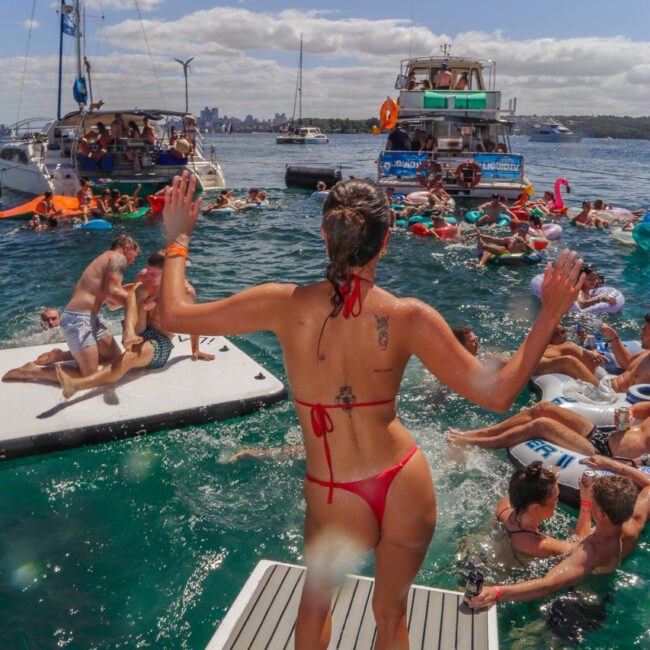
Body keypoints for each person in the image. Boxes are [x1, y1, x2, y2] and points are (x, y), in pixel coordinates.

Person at [158, 170, 583, 649]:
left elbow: (171, 314)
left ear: (325, 234)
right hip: (403, 479)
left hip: (333, 488)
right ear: (386, 243)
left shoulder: (282, 304)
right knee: (390, 615)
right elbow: (500, 394)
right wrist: (548, 313)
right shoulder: (409, 317)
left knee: (316, 607)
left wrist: (178, 239)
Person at [468, 471, 649, 608]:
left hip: (583, 606)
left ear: (600, 513)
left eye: (593, 501)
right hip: (607, 589)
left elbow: (548, 585)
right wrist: (612, 465)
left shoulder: (590, 551)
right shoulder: (635, 523)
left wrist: (497, 592)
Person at [55, 252, 214, 399]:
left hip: (160, 342)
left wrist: (195, 349)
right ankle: (129, 333)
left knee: (128, 358)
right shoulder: (144, 279)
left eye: (153, 274)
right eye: (148, 270)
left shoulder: (185, 292)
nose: (148, 275)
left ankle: (77, 385)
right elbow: (114, 304)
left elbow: (195, 321)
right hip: (138, 332)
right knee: (139, 287)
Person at [2, 235, 140, 385]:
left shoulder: (105, 260)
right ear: (127, 247)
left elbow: (112, 304)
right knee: (89, 375)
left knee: (114, 358)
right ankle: (31, 371)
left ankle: (62, 355)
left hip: (90, 320)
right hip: (78, 320)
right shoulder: (118, 257)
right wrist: (136, 300)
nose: (132, 262)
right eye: (134, 255)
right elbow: (114, 291)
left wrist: (132, 293)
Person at [446, 400, 650, 461]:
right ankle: (479, 433)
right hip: (604, 436)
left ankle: (474, 443)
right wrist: (630, 411)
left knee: (542, 424)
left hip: (606, 455)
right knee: (543, 408)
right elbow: (642, 407)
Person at [493, 461, 592, 562]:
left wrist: (544, 480)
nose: (557, 501)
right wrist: (586, 502)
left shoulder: (503, 507)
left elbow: (522, 488)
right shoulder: (540, 545)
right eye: (555, 498)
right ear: (535, 507)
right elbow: (583, 548)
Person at [535, 322, 606, 387]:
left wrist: (585, 347)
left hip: (604, 371)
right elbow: (536, 364)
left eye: (563, 332)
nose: (561, 336)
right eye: (555, 334)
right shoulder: (544, 351)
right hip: (599, 380)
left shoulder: (561, 346)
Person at [598, 315, 650, 393]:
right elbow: (628, 364)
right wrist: (613, 337)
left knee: (573, 359)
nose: (640, 334)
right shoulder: (647, 352)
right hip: (608, 382)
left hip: (611, 395)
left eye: (645, 331)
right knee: (577, 353)